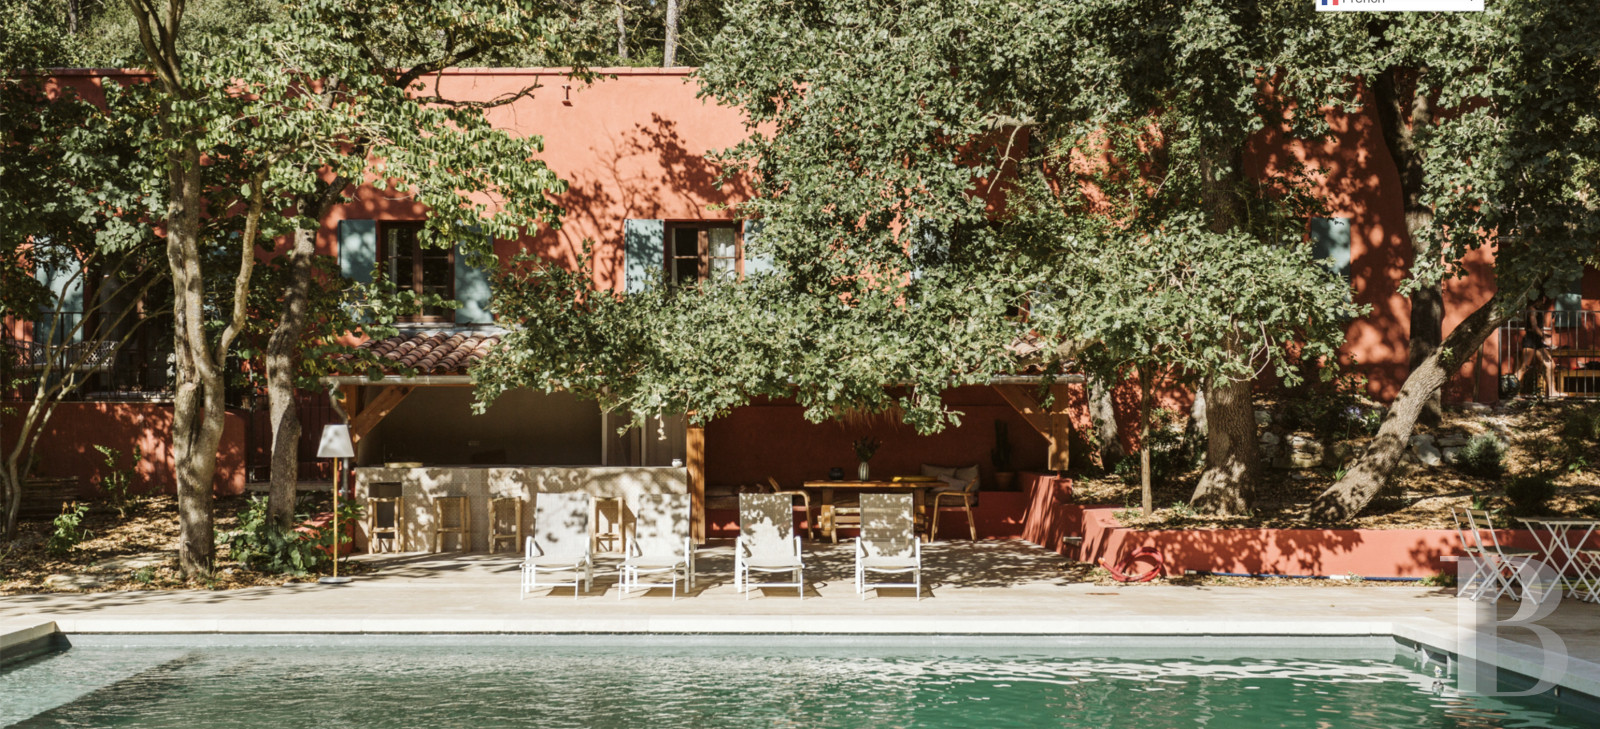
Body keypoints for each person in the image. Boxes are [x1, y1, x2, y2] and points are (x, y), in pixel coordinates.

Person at [1511, 294, 1561, 398]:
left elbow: (1536, 328)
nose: (1544, 300)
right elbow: (1533, 327)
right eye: (1543, 298)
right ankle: (1511, 392)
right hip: (1530, 340)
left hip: (1537, 341)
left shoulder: (1538, 310)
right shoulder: (1532, 309)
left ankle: (1552, 392)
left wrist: (1543, 335)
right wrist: (1545, 337)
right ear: (1537, 298)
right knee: (1524, 367)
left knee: (1550, 365)